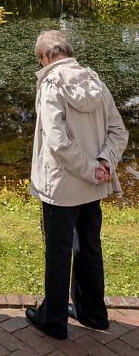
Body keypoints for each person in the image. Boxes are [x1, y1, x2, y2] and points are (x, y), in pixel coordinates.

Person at [25, 30, 128, 341]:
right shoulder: (94, 80)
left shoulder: (51, 84)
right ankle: (93, 313)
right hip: (93, 184)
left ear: (45, 57)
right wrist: (104, 163)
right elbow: (118, 131)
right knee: (88, 246)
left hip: (61, 187)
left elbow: (57, 142)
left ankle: (53, 320)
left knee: (58, 252)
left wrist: (91, 169)